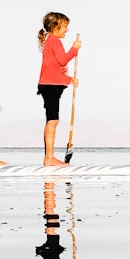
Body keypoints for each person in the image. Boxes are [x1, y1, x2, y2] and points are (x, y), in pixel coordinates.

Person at [37, 12, 81, 166]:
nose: (67, 30)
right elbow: (62, 61)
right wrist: (74, 49)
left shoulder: (51, 40)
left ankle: (49, 157)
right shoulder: (54, 40)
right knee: (52, 121)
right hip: (50, 86)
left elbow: (53, 68)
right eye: (65, 26)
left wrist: (69, 79)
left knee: (53, 120)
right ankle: (49, 158)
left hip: (51, 84)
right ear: (56, 27)